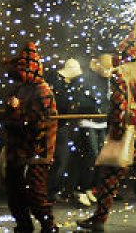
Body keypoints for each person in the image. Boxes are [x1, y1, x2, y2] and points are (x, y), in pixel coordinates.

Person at [77, 35, 136, 231]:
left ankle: (100, 219)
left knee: (111, 177)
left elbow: (119, 105)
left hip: (127, 132)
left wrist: (116, 131)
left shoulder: (120, 73)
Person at [2, 41, 60, 233]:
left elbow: (39, 124)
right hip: (18, 149)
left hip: (37, 150)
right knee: (15, 192)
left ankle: (48, 226)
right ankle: (24, 225)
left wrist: (16, 112)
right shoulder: (20, 89)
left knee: (36, 193)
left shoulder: (43, 92)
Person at [49, 58, 99, 203]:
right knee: (60, 159)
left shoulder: (65, 84)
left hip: (64, 124)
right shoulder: (58, 84)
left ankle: (56, 190)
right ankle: (51, 190)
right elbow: (63, 102)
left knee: (64, 159)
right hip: (58, 124)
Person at [75, 54, 112, 208]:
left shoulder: (108, 81)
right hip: (88, 121)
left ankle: (90, 187)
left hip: (101, 122)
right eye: (106, 68)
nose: (108, 71)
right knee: (92, 155)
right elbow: (82, 100)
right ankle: (82, 189)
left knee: (100, 157)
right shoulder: (86, 78)